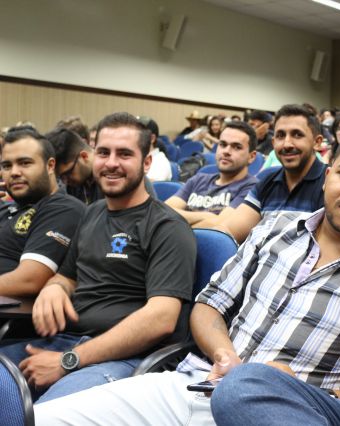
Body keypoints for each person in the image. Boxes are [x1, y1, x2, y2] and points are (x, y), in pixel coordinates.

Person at [34, 127, 340, 425]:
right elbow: (208, 306)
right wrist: (225, 355)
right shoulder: (274, 228)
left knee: (245, 389)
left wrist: (295, 391)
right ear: (327, 177)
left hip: (279, 412)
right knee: (42, 419)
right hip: (194, 383)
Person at [0, 112, 196, 403]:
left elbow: (161, 319)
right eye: (103, 152)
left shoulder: (167, 226)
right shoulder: (92, 212)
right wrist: (55, 288)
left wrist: (69, 360)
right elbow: (66, 276)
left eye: (124, 154)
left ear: (146, 163)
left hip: (123, 357)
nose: (111, 163)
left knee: (47, 416)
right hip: (64, 341)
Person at [196, 104, 327, 243]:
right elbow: (228, 231)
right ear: (273, 142)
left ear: (317, 142)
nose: (287, 144)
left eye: (297, 135)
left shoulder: (330, 182)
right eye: (280, 136)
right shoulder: (266, 180)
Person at [0, 127, 85, 297]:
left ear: (50, 166)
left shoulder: (63, 208)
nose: (14, 172)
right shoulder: (7, 207)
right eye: (7, 166)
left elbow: (29, 280)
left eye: (25, 163)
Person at [165, 121, 258, 226]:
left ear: (251, 157)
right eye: (222, 144)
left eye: (237, 147)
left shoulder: (252, 188)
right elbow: (163, 212)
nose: (226, 151)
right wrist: (206, 216)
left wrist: (178, 221)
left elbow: (220, 225)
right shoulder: (198, 179)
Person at [48, 127, 157, 204]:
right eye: (61, 177)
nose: (65, 181)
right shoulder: (76, 182)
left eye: (67, 173)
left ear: (84, 156)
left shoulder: (123, 178)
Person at [137, 116, 172, 182]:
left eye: (138, 134)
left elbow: (150, 185)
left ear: (152, 138)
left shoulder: (161, 162)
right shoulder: (137, 158)